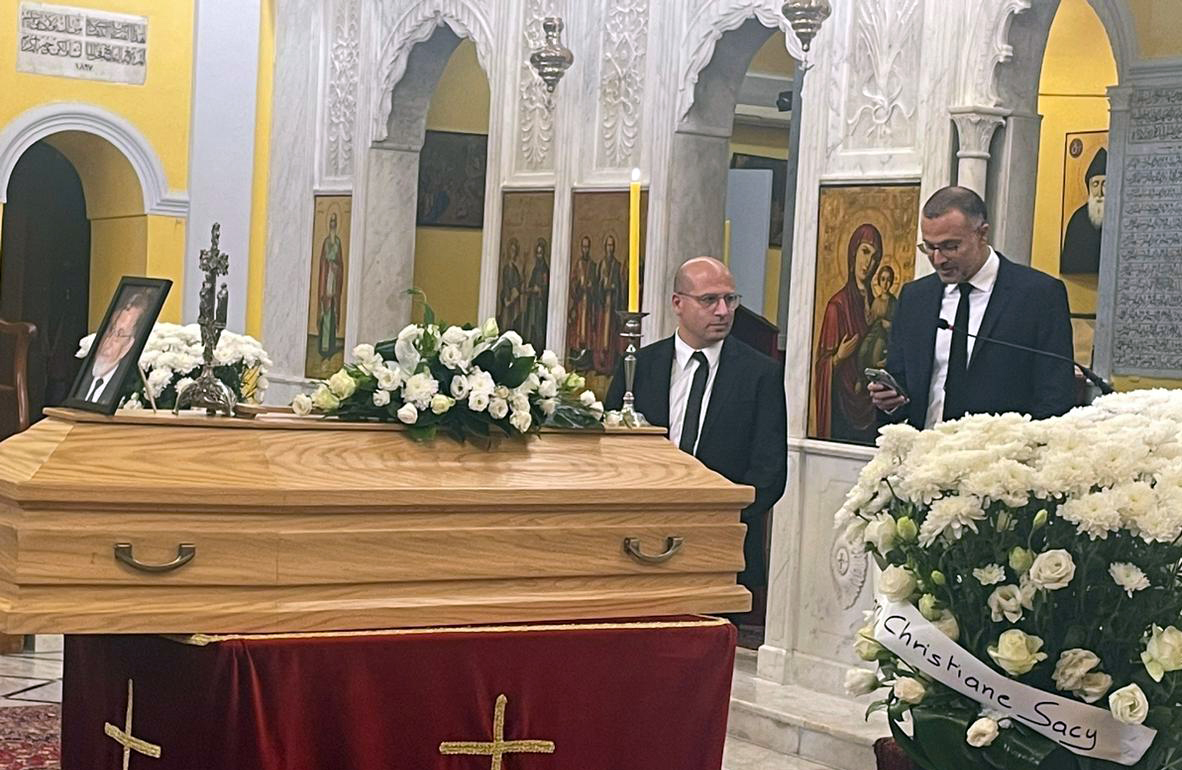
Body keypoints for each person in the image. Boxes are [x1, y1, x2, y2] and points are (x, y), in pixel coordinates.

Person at [605, 257, 786, 599]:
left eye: (730, 299)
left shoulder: (760, 373)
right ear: (678, 303)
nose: (723, 311)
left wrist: (717, 517)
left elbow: (770, 471)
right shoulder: (640, 366)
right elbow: (610, 449)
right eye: (709, 300)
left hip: (720, 544)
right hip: (637, 537)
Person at [870, 186, 1075, 429]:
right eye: (929, 247)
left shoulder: (1038, 296)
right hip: (924, 445)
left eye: (950, 246)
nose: (938, 259)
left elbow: (1055, 396)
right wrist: (890, 401)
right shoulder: (915, 298)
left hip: (1001, 448)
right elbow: (902, 385)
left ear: (982, 234)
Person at [812, 224, 883, 444]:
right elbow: (821, 366)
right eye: (865, 252)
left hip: (872, 403)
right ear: (853, 253)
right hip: (843, 404)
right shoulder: (838, 306)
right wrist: (838, 357)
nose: (868, 262)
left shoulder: (880, 305)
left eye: (874, 257)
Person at [75, 291, 150, 405]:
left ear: (129, 345)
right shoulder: (80, 381)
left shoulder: (129, 389)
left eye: (120, 334)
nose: (108, 341)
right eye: (110, 329)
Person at [1060, 147, 1106, 275]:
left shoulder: (1120, 219)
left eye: (1105, 184)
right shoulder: (1078, 219)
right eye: (1095, 184)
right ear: (1088, 187)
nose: (1100, 192)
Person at [566, 235, 599, 366]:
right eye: (583, 247)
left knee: (588, 330)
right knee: (577, 329)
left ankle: (586, 360)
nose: (585, 249)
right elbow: (573, 283)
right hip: (579, 303)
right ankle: (576, 357)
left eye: (587, 247)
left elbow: (597, 285)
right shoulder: (578, 265)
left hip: (589, 304)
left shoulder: (593, 266)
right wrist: (578, 286)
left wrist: (591, 286)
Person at [595, 233, 625, 373]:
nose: (610, 248)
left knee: (611, 334)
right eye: (608, 245)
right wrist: (602, 286)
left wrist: (614, 288)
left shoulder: (617, 265)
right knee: (601, 333)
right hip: (603, 306)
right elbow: (597, 286)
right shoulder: (601, 265)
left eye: (612, 245)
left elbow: (620, 286)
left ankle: (609, 365)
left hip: (612, 305)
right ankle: (600, 363)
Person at [317, 212, 344, 358]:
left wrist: (336, 267)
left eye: (335, 223)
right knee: (325, 313)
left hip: (334, 281)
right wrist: (328, 265)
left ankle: (331, 346)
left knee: (332, 313)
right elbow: (322, 262)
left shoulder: (338, 242)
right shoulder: (326, 242)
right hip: (326, 280)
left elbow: (340, 262)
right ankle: (323, 347)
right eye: (331, 222)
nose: (333, 225)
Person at [522, 237, 550, 347]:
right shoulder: (535, 269)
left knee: (538, 326)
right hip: (533, 303)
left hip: (540, 304)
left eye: (540, 253)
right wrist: (529, 289)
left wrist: (539, 290)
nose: (539, 256)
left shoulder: (545, 270)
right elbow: (531, 284)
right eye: (537, 253)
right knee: (531, 325)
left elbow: (545, 287)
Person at [498, 238, 525, 332]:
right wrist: (507, 298)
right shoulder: (507, 268)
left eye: (515, 251)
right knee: (506, 321)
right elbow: (506, 283)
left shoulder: (515, 268)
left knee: (512, 323)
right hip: (508, 298)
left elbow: (517, 283)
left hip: (514, 299)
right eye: (512, 250)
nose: (513, 253)